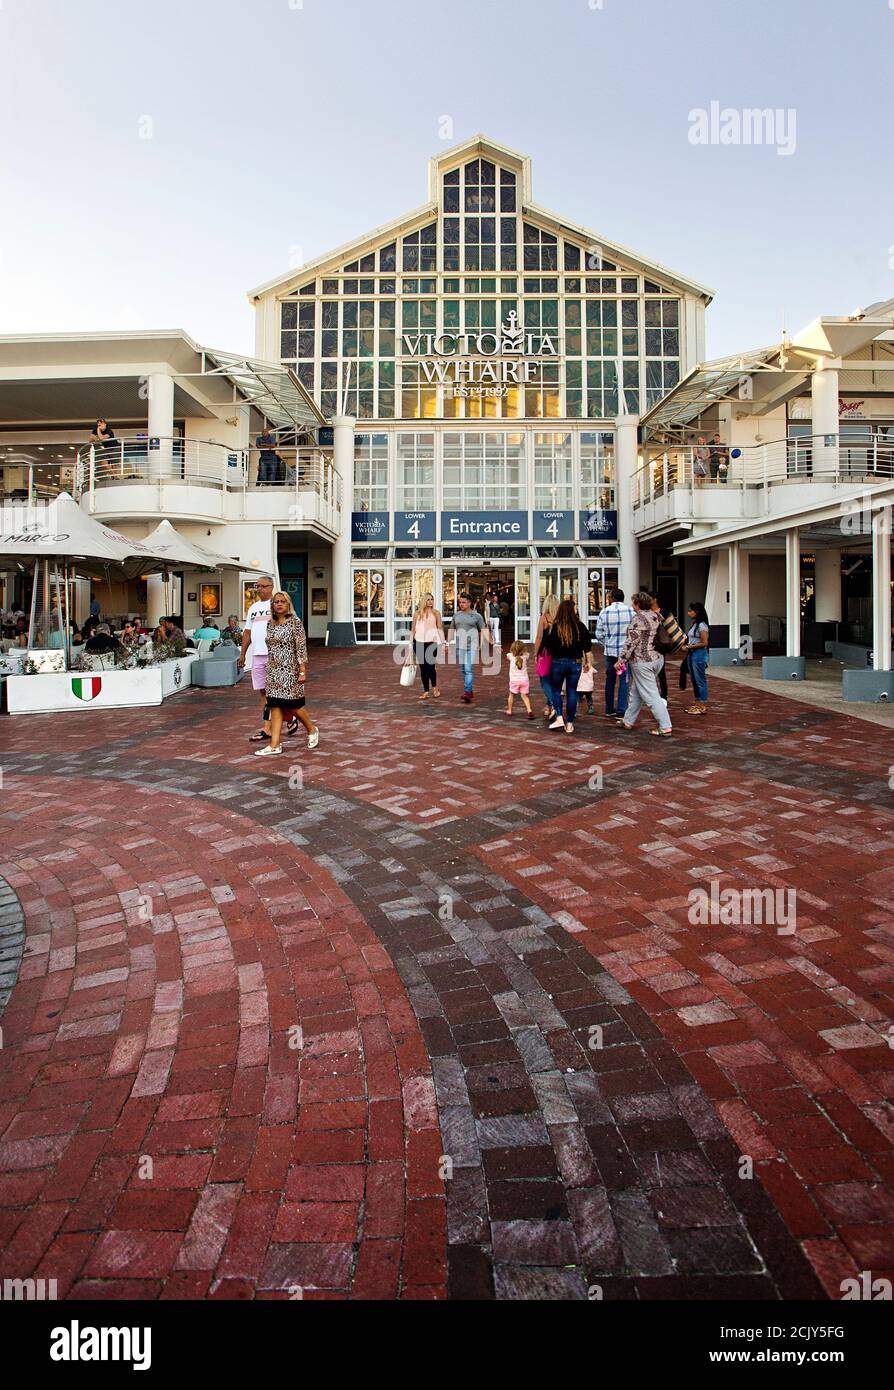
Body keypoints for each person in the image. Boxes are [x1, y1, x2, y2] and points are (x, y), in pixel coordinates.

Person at [255, 590, 319, 756]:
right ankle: (275, 744)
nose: (279, 604)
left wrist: (302, 670)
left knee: (294, 706)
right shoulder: (270, 623)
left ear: (288, 603)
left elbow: (301, 647)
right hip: (274, 670)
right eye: (276, 602)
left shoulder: (295, 622)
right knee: (275, 705)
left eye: (282, 601)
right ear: (272, 605)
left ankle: (312, 729)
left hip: (291, 669)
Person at [615, 593, 673, 738]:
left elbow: (631, 642)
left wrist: (621, 659)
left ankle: (665, 726)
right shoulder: (656, 615)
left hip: (642, 661)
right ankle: (628, 721)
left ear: (637, 604)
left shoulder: (638, 619)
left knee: (651, 694)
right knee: (636, 692)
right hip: (657, 658)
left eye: (633, 602)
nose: (632, 605)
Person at [544, 598, 593, 735]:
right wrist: (588, 662)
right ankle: (570, 723)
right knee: (572, 692)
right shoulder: (580, 626)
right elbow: (587, 648)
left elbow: (548, 646)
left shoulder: (555, 627)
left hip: (557, 662)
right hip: (575, 663)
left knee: (556, 690)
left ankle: (559, 717)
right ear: (573, 610)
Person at [238, 576, 275, 741]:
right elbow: (247, 631)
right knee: (263, 692)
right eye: (257, 586)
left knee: (278, 691)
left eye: (263, 586)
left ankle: (289, 717)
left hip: (275, 655)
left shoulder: (278, 604)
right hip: (257, 655)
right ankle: (267, 727)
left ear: (271, 587)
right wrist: (242, 653)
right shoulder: (253, 607)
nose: (259, 589)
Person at [594, 588, 635, 720]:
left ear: (611, 598)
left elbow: (599, 634)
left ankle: (609, 708)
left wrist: (607, 643)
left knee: (610, 680)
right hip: (625, 653)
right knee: (624, 681)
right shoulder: (631, 612)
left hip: (610, 651)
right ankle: (622, 710)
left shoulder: (604, 612)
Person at [451, 592, 490, 703]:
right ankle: (469, 690)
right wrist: (446, 643)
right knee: (463, 669)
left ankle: (467, 691)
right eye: (460, 602)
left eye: (464, 602)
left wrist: (491, 643)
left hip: (472, 646)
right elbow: (451, 629)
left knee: (468, 669)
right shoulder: (456, 615)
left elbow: (484, 630)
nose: (461, 604)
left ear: (469, 603)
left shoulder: (477, 616)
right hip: (460, 646)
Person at [410, 592, 445, 701]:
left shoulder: (436, 613)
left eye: (432, 599)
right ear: (424, 601)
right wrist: (410, 645)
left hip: (431, 643)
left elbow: (439, 628)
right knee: (423, 668)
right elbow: (413, 630)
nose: (430, 601)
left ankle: (435, 688)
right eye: (428, 599)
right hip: (418, 643)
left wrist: (443, 642)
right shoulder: (417, 614)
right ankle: (426, 691)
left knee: (430, 667)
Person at [533, 594, 560, 720]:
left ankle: (555, 705)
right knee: (555, 682)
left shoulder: (544, 618)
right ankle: (549, 706)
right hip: (559, 653)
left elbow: (539, 637)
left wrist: (535, 653)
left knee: (545, 681)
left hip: (545, 653)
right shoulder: (561, 618)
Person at [683, 602, 710, 715]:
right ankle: (697, 703)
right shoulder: (694, 624)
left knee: (700, 680)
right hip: (692, 654)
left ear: (697, 612)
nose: (689, 613)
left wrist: (690, 646)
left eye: (691, 611)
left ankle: (702, 704)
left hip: (698, 654)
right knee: (694, 680)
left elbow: (704, 642)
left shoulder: (701, 625)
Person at [649, 592, 670, 703]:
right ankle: (652, 694)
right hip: (649, 645)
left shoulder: (664, 612)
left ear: (655, 599)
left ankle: (664, 695)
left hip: (660, 645)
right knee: (649, 671)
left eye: (650, 598)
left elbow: (670, 626)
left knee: (661, 671)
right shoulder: (647, 612)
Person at [505, 640, 534, 718]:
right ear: (523, 649)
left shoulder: (510, 656)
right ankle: (529, 710)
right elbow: (527, 654)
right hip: (524, 680)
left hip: (514, 681)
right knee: (525, 696)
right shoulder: (526, 656)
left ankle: (510, 710)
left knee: (511, 695)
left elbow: (507, 655)